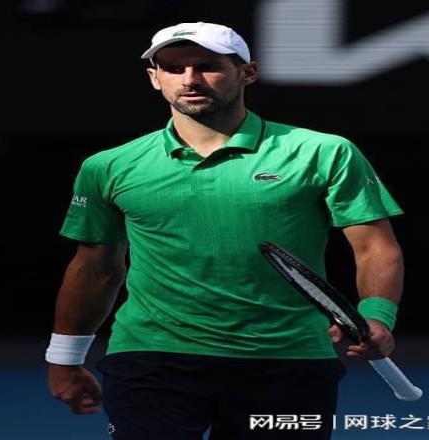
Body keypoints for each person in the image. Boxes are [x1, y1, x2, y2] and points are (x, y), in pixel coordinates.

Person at [46, 21, 404, 440]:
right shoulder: (108, 166)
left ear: (247, 73)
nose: (190, 79)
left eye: (207, 66)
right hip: (152, 358)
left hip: (288, 361)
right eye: (174, 68)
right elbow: (95, 269)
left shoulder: (324, 152)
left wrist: (377, 316)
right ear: (155, 78)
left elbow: (375, 248)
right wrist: (65, 358)